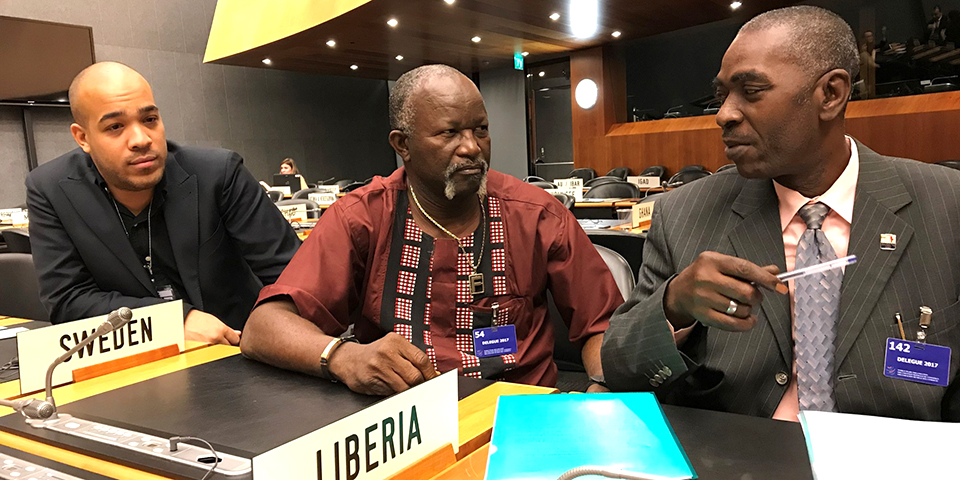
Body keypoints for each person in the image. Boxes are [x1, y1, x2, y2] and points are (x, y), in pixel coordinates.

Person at [601, 6, 960, 422]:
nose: (724, 114)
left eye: (751, 91)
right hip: (737, 457)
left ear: (831, 94)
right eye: (722, 95)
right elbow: (621, 372)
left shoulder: (947, 207)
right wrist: (672, 306)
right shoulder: (684, 214)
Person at [241, 64, 623, 395]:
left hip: (520, 417)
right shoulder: (363, 217)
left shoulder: (538, 215)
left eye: (481, 130)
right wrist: (343, 356)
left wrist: (603, 385)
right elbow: (263, 327)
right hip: (404, 424)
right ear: (402, 144)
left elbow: (602, 325)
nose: (472, 147)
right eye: (450, 133)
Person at [26, 62, 301, 345]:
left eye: (149, 120)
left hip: (240, 349)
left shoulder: (219, 174)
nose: (141, 139)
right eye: (115, 126)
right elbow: (68, 299)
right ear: (82, 137)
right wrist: (172, 320)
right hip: (137, 365)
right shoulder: (51, 190)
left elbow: (293, 276)